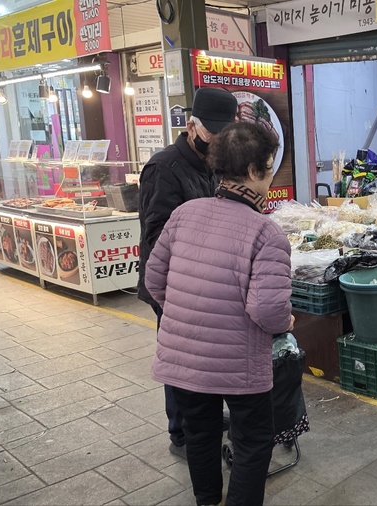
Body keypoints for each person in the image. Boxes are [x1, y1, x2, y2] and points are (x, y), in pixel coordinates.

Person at [145, 121, 292, 506]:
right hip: (238, 361)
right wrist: (287, 323)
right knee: (254, 440)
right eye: (269, 165)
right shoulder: (266, 232)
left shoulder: (184, 214)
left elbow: (154, 280)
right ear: (254, 170)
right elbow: (268, 310)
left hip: (183, 357)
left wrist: (185, 311)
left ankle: (207, 501)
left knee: (200, 433)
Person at [137, 87, 238, 459]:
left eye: (224, 133)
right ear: (192, 125)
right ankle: (181, 432)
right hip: (171, 283)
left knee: (204, 352)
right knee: (180, 356)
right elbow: (156, 234)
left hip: (204, 280)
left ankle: (203, 416)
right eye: (212, 132)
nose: (217, 140)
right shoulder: (164, 167)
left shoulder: (214, 163)